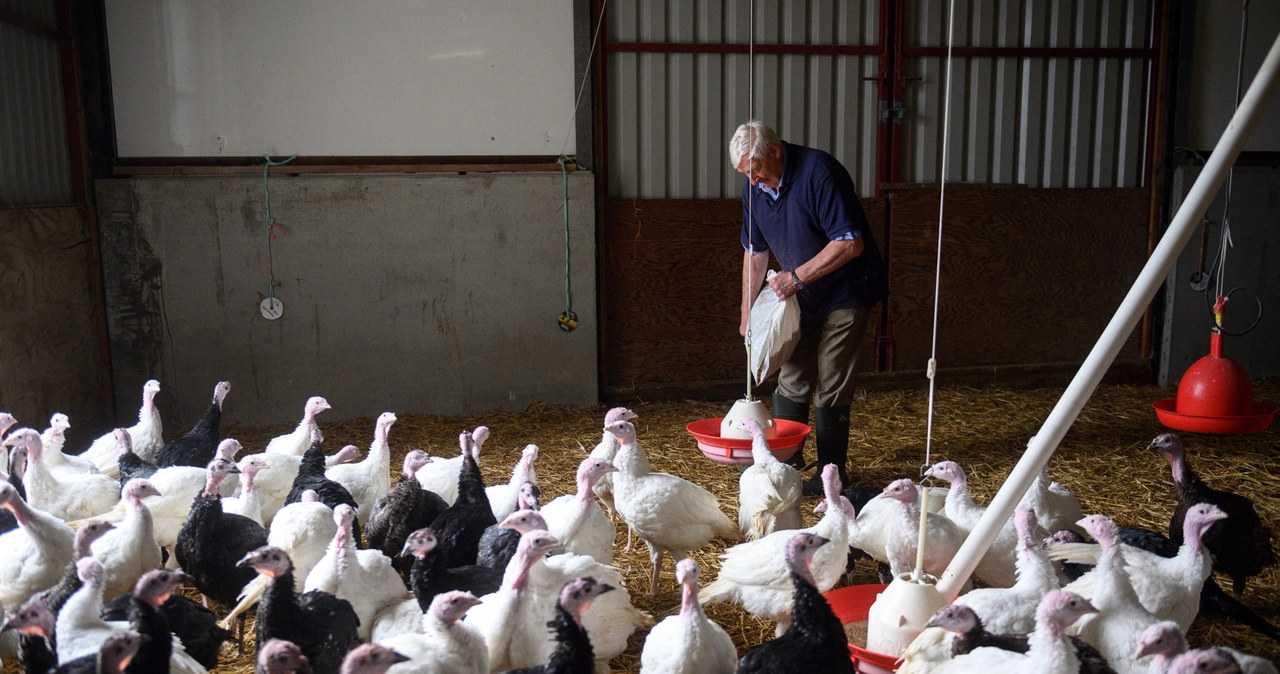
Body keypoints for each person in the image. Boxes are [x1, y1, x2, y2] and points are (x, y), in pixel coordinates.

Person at [731, 120, 887, 495]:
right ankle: (786, 463)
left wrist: (796, 277)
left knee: (832, 378)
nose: (752, 181)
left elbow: (850, 242)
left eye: (756, 171)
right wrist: (747, 313)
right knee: (793, 372)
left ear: (775, 152)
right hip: (799, 292)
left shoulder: (820, 172)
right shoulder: (754, 188)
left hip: (846, 290)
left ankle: (830, 475)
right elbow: (755, 253)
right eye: (744, 175)